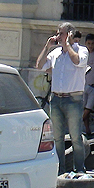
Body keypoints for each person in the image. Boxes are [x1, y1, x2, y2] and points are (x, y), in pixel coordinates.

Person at [36, 22, 89, 177]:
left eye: (61, 33)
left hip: (73, 99)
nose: (58, 36)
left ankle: (79, 168)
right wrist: (47, 47)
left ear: (70, 34)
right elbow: (39, 65)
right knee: (57, 137)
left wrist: (68, 45)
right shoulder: (55, 53)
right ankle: (60, 169)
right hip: (57, 99)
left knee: (75, 136)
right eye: (58, 33)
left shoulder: (82, 50)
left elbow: (77, 61)